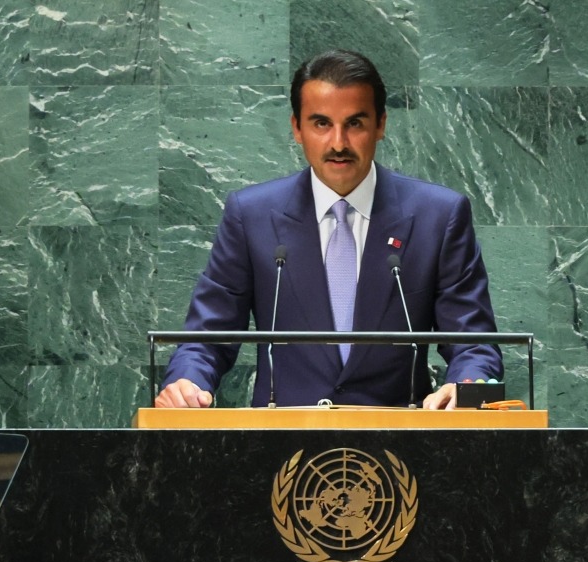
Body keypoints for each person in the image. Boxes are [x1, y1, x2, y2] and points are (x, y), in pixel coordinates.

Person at [156, 49, 502, 410]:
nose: (338, 143)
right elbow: (206, 337)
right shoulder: (251, 216)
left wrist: (467, 387)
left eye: (355, 123)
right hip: (278, 446)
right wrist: (187, 382)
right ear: (297, 128)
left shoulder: (439, 216)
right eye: (321, 123)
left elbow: (473, 343)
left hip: (400, 447)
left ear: (381, 125)